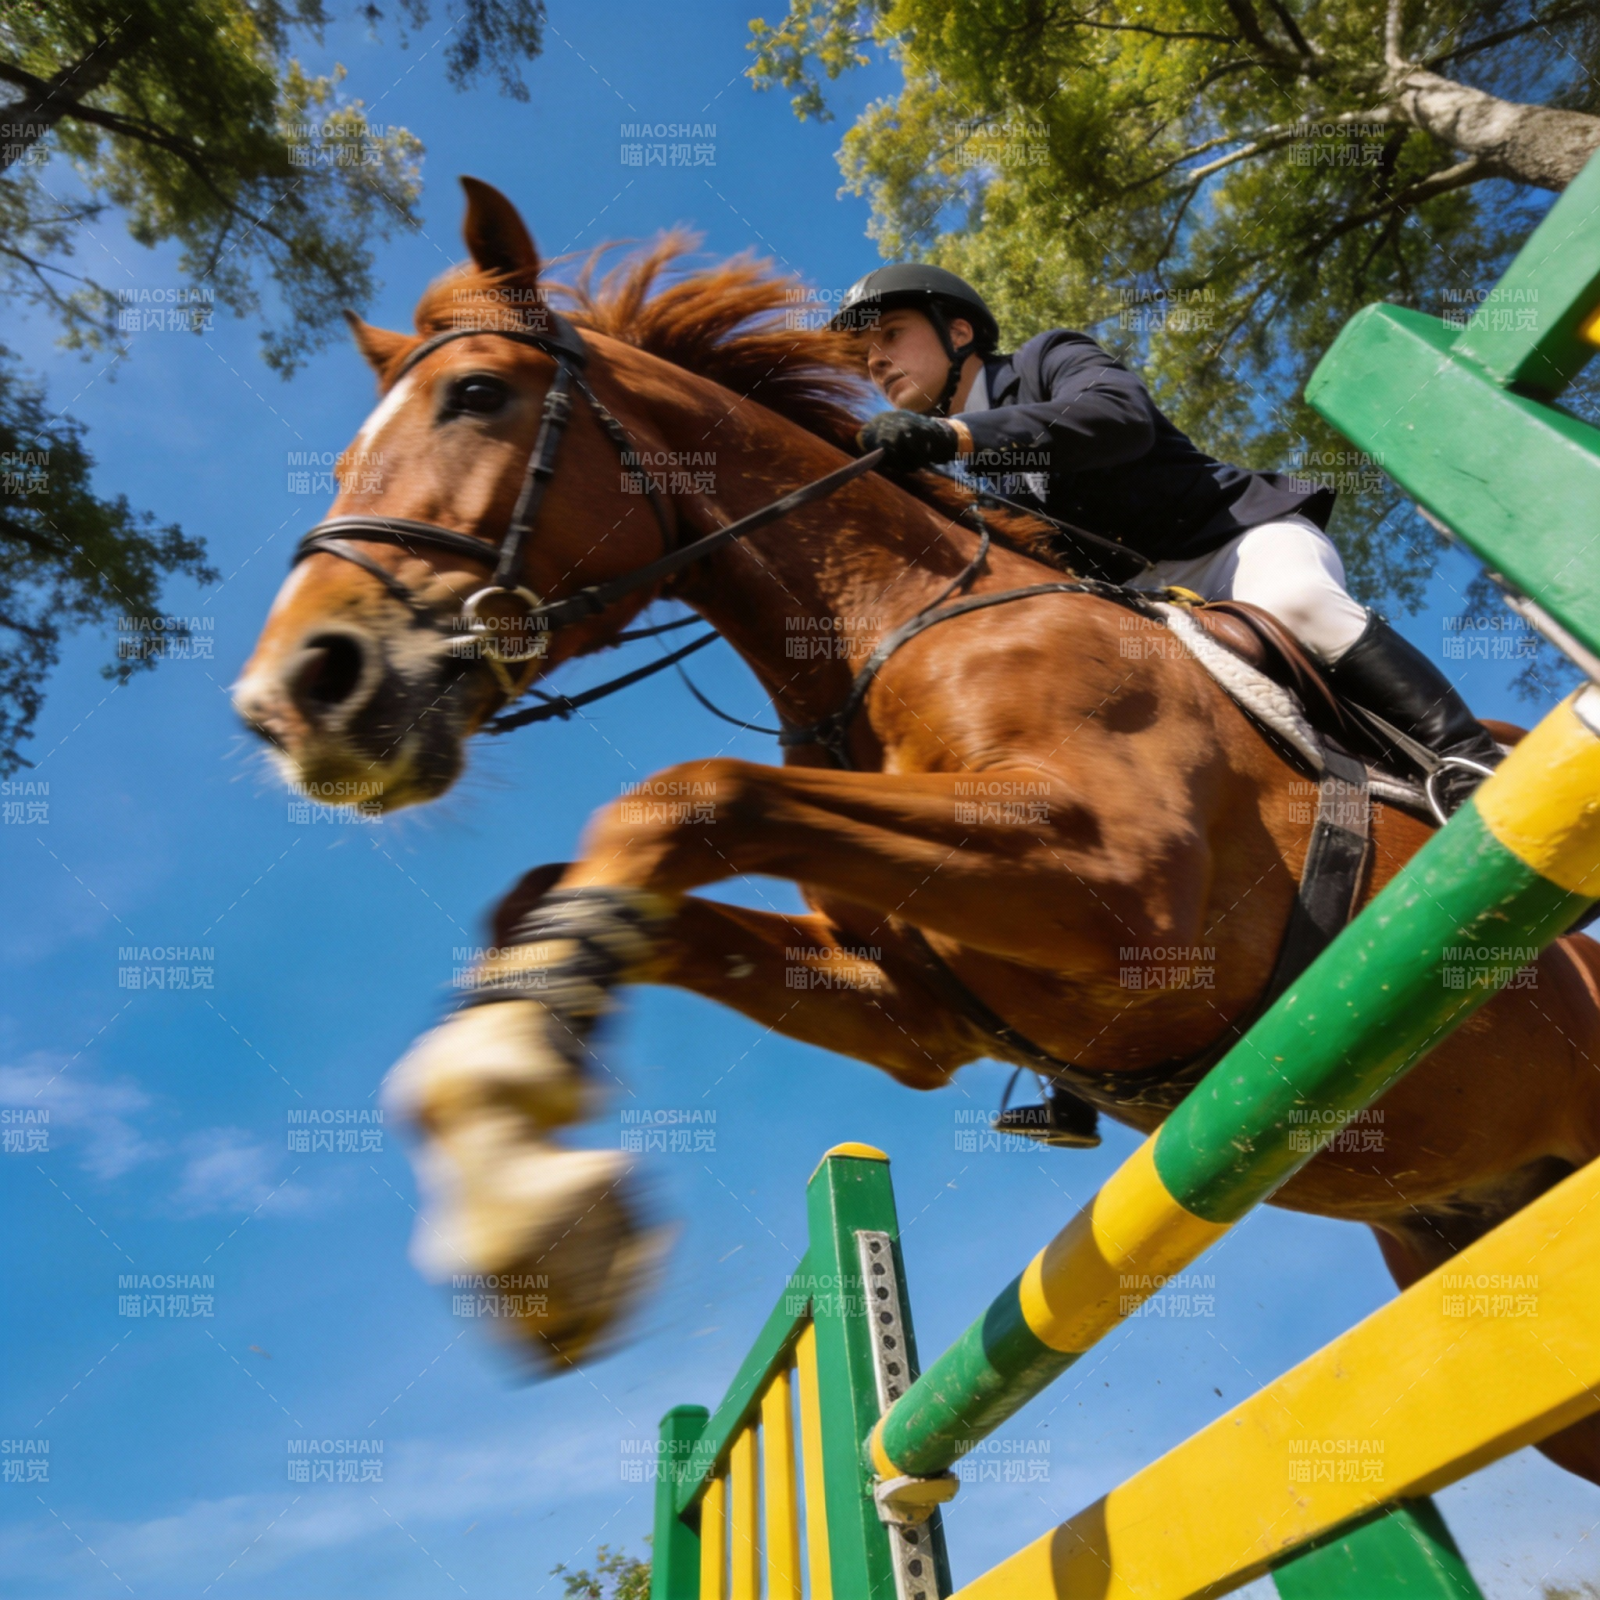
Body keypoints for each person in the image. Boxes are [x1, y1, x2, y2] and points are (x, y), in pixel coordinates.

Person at [831, 264, 1503, 818]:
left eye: (890, 334)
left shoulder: (1046, 360)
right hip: (1149, 609)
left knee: (1298, 603)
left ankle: (1474, 762)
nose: (878, 362)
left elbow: (1119, 420)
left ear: (958, 331)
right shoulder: (962, 479)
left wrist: (956, 435)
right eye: (865, 359)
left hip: (1235, 543)